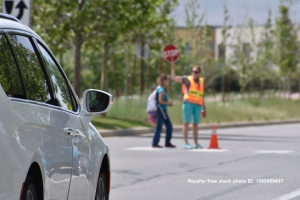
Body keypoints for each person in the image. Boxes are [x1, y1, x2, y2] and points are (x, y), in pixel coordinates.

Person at [171, 62, 205, 149]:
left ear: (199, 73)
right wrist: (173, 67)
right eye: (193, 71)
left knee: (195, 124)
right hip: (188, 103)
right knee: (186, 123)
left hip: (197, 105)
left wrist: (203, 108)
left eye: (196, 72)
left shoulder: (201, 81)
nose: (194, 73)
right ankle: (186, 143)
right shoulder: (187, 79)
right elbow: (174, 78)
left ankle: (196, 143)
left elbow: (201, 95)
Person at [152, 74, 176, 148]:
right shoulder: (161, 90)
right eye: (167, 80)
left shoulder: (162, 89)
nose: (168, 82)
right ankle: (155, 143)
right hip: (161, 111)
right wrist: (169, 103)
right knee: (160, 126)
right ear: (164, 81)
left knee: (169, 126)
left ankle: (167, 142)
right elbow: (160, 101)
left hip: (163, 110)